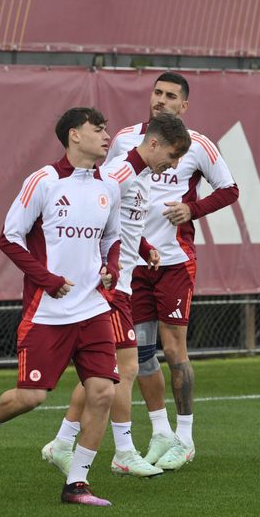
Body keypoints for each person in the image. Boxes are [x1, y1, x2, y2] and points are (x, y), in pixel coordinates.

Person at [0, 107, 122, 506]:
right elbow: (9, 238)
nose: (106, 136)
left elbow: (112, 239)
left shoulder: (110, 186)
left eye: (106, 129)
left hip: (93, 309)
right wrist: (47, 280)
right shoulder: (44, 181)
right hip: (47, 313)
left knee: (102, 392)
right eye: (97, 129)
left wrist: (111, 270)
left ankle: (77, 483)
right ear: (73, 135)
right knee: (31, 398)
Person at [41, 113, 192, 479]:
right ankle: (122, 451)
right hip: (107, 289)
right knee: (120, 371)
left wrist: (142, 246)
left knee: (105, 372)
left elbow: (117, 223)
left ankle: (63, 442)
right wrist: (103, 265)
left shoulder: (138, 179)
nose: (172, 166)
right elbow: (92, 219)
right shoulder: (119, 174)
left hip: (119, 286)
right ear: (154, 144)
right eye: (171, 156)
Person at [105, 72, 238, 471]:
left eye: (171, 96)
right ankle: (160, 432)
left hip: (175, 261)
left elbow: (229, 189)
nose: (161, 100)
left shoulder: (197, 145)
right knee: (141, 353)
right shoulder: (126, 140)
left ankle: (186, 437)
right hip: (134, 263)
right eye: (158, 93)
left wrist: (192, 209)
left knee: (175, 349)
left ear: (185, 106)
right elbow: (108, 192)